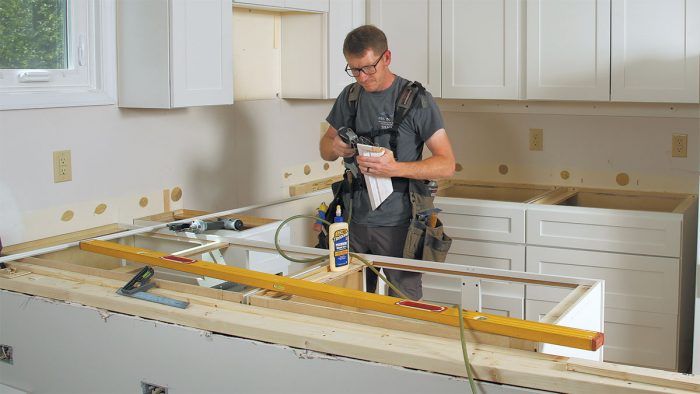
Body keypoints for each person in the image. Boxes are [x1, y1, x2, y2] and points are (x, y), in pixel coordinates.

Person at [319, 25, 455, 300]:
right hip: (352, 220)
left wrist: (395, 168)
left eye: (369, 68)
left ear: (387, 58)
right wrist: (335, 146)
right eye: (354, 70)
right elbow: (325, 149)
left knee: (404, 307)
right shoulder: (350, 96)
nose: (362, 77)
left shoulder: (417, 100)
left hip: (400, 225)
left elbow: (446, 164)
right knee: (347, 302)